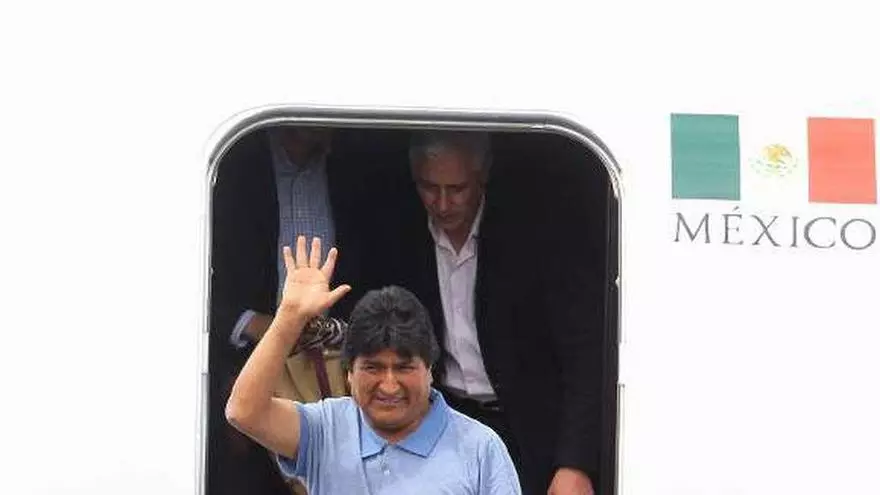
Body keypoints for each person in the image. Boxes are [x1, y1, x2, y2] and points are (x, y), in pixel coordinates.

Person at [380, 130, 605, 494]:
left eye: (457, 189)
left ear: (483, 176)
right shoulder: (397, 237)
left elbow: (585, 353)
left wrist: (574, 463)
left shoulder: (535, 235)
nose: (442, 204)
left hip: (529, 432)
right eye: (429, 187)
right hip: (442, 424)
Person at [226, 236, 522, 495]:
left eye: (404, 368)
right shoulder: (324, 429)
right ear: (349, 374)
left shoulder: (479, 448)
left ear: (430, 370)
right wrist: (290, 317)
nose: (389, 386)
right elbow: (243, 411)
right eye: (373, 368)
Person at [209, 127, 405, 494]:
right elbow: (202, 278)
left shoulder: (358, 171)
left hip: (339, 377)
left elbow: (381, 273)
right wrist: (258, 327)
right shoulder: (232, 163)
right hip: (250, 370)